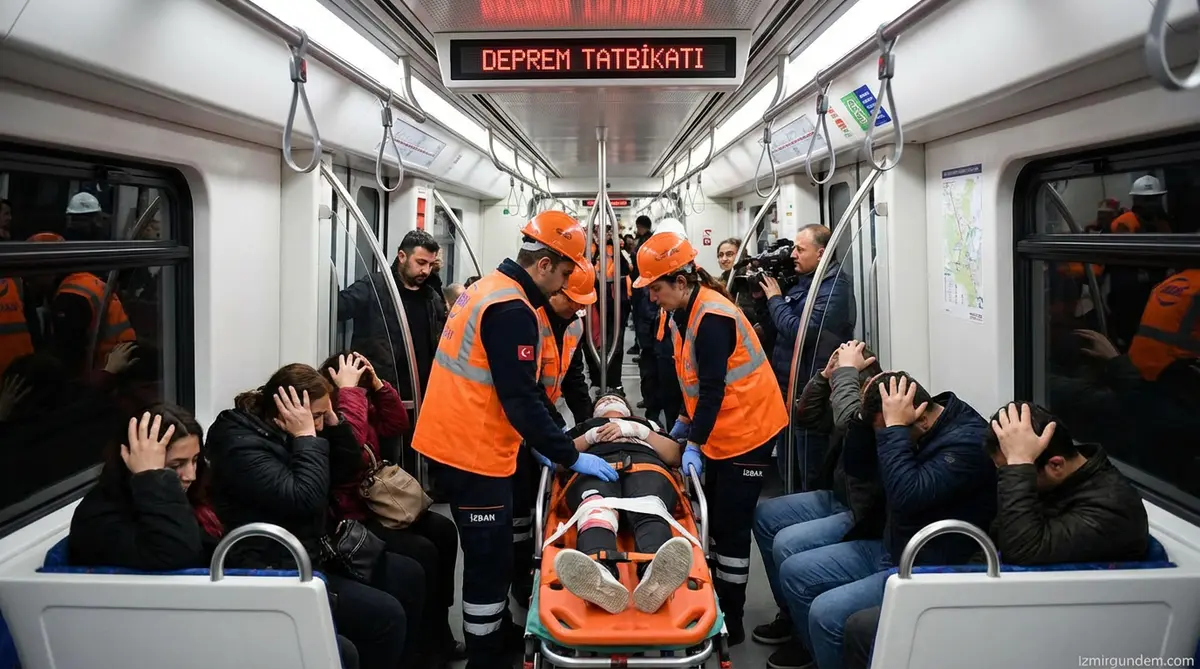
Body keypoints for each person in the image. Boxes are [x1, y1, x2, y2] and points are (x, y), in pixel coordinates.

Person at [410, 211, 620, 669]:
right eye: (565, 273)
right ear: (544, 264)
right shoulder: (511, 309)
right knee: (487, 564)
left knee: (497, 554)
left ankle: (498, 630)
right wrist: (569, 454)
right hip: (471, 451)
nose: (563, 284)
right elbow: (521, 397)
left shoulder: (486, 290)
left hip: (464, 442)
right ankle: (487, 655)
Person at [67, 405, 363, 669]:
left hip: (198, 609)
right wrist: (152, 479)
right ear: (135, 463)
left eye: (195, 460)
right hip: (161, 632)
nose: (191, 475)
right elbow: (177, 554)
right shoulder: (100, 517)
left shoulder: (180, 497)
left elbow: (213, 547)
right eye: (174, 466)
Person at [206, 364, 423, 669]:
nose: (319, 425)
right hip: (277, 564)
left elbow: (346, 469)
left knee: (408, 575)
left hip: (317, 547)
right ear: (285, 411)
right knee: (385, 616)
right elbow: (304, 497)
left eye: (323, 416)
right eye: (316, 417)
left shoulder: (291, 430)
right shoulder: (241, 446)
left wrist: (333, 423)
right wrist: (306, 436)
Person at [773, 372, 996, 669]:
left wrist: (894, 431)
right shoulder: (906, 425)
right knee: (795, 571)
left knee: (826, 613)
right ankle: (820, 655)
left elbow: (907, 495)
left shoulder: (967, 445)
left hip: (926, 564)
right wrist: (863, 422)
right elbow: (858, 469)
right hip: (891, 543)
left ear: (922, 420)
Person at [634, 230, 788, 645]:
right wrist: (686, 421)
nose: (652, 298)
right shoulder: (686, 311)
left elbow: (717, 387)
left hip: (748, 430)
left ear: (680, 282)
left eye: (656, 288)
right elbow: (695, 379)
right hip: (723, 428)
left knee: (731, 526)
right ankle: (718, 598)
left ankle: (732, 620)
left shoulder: (713, 317)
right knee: (715, 520)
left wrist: (695, 443)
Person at [320, 351, 465, 666]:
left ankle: (438, 629)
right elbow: (352, 445)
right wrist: (350, 393)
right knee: (421, 552)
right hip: (353, 516)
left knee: (443, 530)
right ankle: (420, 645)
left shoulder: (361, 405)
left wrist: (378, 385)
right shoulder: (330, 418)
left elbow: (397, 423)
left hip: (376, 503)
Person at [752, 341, 885, 647]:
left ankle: (805, 636)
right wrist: (824, 377)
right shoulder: (842, 394)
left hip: (861, 511)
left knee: (788, 545)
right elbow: (805, 416)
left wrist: (847, 377)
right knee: (765, 516)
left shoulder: (877, 406)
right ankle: (791, 614)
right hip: (838, 494)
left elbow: (849, 422)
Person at [550, 393, 694, 615]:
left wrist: (639, 432)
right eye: (602, 400)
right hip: (594, 467)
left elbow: (674, 456)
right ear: (594, 411)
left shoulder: (647, 425)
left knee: (649, 505)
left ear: (628, 410)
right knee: (596, 507)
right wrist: (589, 437)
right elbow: (558, 461)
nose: (608, 401)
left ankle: (654, 573)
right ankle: (599, 572)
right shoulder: (585, 428)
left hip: (646, 467)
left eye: (614, 399)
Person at [511, 259, 598, 605]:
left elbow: (574, 380)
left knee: (542, 499)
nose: (579, 308)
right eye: (573, 299)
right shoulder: (528, 320)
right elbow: (526, 390)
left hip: (541, 422)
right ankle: (519, 580)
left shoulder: (572, 326)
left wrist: (590, 424)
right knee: (521, 511)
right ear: (555, 290)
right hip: (519, 426)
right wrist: (557, 436)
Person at [984, 402, 1149, 564]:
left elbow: (1022, 551)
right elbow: (998, 537)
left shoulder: (1112, 509)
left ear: (1056, 466)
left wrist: (1019, 465)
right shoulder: (1049, 483)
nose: (1008, 477)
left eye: (1013, 468)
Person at [760, 224, 856, 489]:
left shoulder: (834, 287)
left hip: (810, 390)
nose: (793, 254)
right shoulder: (803, 282)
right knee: (787, 463)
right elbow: (774, 327)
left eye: (800, 249)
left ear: (821, 253)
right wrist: (764, 298)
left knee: (808, 467)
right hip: (787, 387)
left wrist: (775, 300)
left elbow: (802, 331)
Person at [338, 229, 448, 408]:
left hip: (422, 395)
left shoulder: (432, 297)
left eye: (430, 264)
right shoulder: (374, 287)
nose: (426, 270)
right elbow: (338, 307)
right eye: (420, 262)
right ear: (402, 256)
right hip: (380, 393)